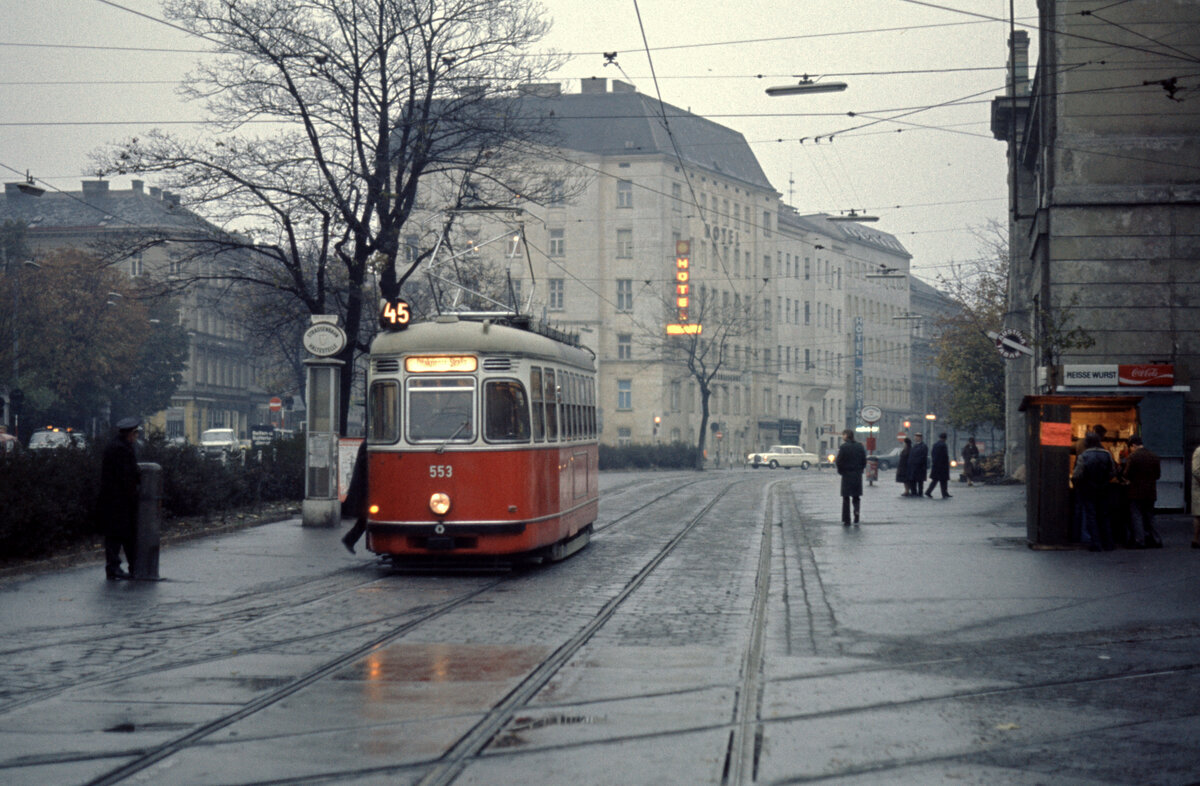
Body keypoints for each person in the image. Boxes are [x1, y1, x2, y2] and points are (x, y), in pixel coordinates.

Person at [97, 417, 141, 580]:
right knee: (121, 535)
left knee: (119, 534)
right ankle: (117, 567)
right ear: (131, 433)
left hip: (114, 498)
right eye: (135, 434)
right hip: (119, 499)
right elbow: (126, 475)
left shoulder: (116, 446)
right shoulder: (121, 449)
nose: (136, 437)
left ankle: (125, 566)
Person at [1072, 432, 1116, 551]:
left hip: (1088, 489)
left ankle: (1096, 543)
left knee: (1091, 516)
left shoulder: (1084, 456)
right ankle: (1108, 542)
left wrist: (1079, 484)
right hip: (1104, 488)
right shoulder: (1107, 454)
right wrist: (1106, 480)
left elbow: (1077, 474)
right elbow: (1113, 471)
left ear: (1087, 442)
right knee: (1104, 516)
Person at [1121, 435, 1161, 548]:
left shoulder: (1133, 457)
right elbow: (1158, 475)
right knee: (1150, 516)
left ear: (1133, 445)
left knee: (1136, 515)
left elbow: (1126, 474)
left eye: (1130, 447)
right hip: (1151, 491)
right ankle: (1156, 539)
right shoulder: (1154, 456)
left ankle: (1140, 540)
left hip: (1136, 491)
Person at [341, 439, 369, 554]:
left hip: (363, 488)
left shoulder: (365, 444)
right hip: (365, 489)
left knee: (365, 518)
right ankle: (349, 540)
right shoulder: (367, 445)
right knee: (366, 518)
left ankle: (349, 540)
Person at [835, 429, 867, 526]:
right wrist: (860, 470)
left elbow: (838, 461)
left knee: (846, 497)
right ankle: (856, 513)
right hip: (857, 475)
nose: (842, 437)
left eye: (843, 435)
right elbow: (864, 460)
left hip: (846, 475)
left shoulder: (844, 447)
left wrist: (841, 471)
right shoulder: (859, 446)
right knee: (856, 497)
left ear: (847, 436)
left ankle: (846, 518)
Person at [925, 432, 952, 498]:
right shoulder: (943, 445)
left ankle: (928, 491)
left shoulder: (935, 445)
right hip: (942, 466)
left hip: (936, 466)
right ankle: (944, 493)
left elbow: (933, 454)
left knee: (935, 480)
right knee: (943, 481)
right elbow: (944, 456)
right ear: (945, 438)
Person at [907, 433, 929, 499]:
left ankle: (920, 493)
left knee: (920, 481)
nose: (916, 438)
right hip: (913, 467)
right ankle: (914, 492)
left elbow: (923, 457)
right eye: (915, 437)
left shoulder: (923, 446)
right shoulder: (914, 446)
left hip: (920, 467)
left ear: (920, 438)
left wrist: (917, 463)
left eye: (917, 437)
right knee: (913, 480)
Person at [1192, 443, 1200, 550]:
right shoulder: (1199, 452)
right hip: (1199, 489)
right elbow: (1196, 471)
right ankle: (1195, 539)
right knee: (1199, 515)